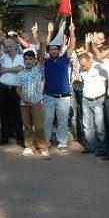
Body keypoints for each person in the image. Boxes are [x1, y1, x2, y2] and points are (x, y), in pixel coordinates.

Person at [43, 22, 77, 153]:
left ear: (59, 50)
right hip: (48, 96)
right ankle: (46, 141)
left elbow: (72, 45)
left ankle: (62, 143)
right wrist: (50, 32)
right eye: (51, 49)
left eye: (55, 49)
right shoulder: (45, 61)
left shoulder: (64, 59)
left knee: (62, 121)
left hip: (63, 97)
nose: (53, 51)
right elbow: (44, 46)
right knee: (47, 120)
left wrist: (72, 31)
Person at [17, 45, 50, 159]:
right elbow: (18, 88)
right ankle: (29, 146)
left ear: (34, 60)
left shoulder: (39, 69)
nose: (28, 61)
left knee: (39, 126)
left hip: (36, 102)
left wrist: (42, 42)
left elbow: (41, 54)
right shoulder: (21, 73)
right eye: (26, 59)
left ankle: (43, 147)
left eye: (30, 59)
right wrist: (24, 99)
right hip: (24, 103)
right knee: (27, 126)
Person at [77, 50, 108, 156]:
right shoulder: (81, 69)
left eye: (85, 65)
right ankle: (90, 147)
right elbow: (82, 80)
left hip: (98, 99)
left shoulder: (99, 67)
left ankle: (103, 149)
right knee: (87, 125)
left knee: (100, 126)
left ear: (90, 60)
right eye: (82, 65)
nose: (83, 67)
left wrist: (104, 96)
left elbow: (106, 81)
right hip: (86, 99)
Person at [0, 37, 25, 146]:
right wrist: (14, 69)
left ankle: (20, 139)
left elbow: (21, 69)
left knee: (17, 114)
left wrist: (6, 70)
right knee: (4, 114)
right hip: (4, 88)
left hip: (16, 89)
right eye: (6, 47)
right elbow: (15, 69)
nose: (8, 48)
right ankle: (5, 138)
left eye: (10, 46)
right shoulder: (3, 57)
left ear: (15, 46)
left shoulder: (21, 57)